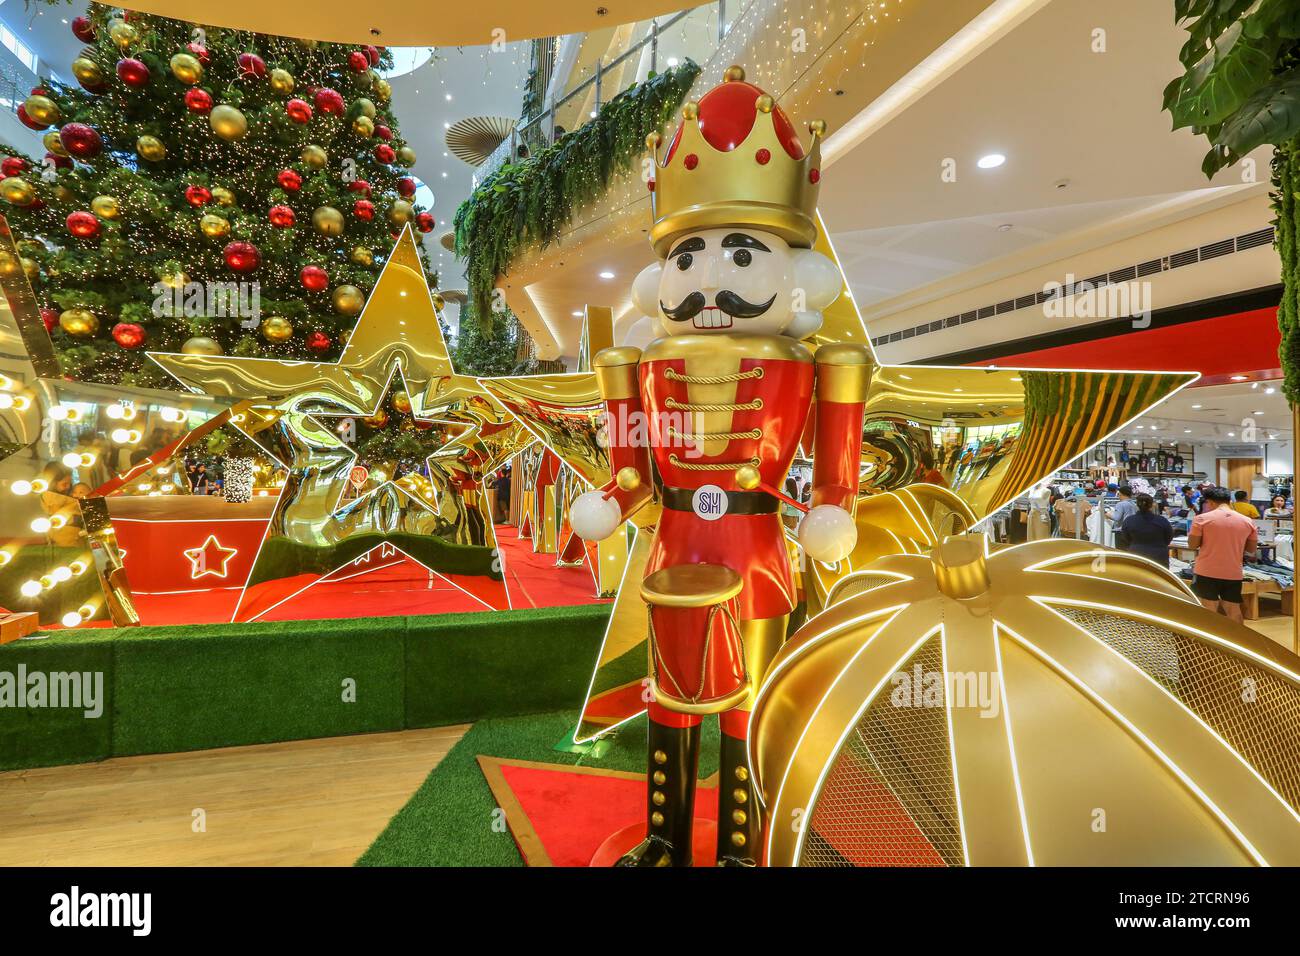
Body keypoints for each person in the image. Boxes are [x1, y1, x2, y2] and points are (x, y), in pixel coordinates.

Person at [1188, 486, 1258, 622]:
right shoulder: (1248, 522)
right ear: (1229, 500)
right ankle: (1238, 641)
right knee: (1233, 609)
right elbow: (1251, 549)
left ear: (1211, 502)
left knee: (1208, 609)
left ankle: (1208, 642)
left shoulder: (1201, 519)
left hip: (1207, 571)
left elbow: (1192, 545)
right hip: (1233, 572)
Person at [1116, 493, 1174, 567]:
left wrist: (1135, 543)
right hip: (1159, 556)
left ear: (1137, 505)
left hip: (1136, 554)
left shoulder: (1129, 520)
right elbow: (1169, 537)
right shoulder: (1162, 520)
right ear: (1152, 505)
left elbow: (1126, 537)